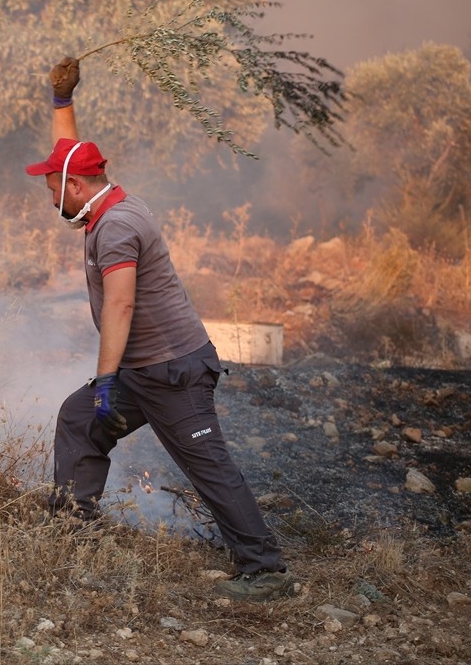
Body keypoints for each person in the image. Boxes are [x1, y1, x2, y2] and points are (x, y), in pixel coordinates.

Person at [26, 56, 296, 603]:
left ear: (75, 188)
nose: (48, 193)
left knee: (209, 466)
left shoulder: (118, 227)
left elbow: (121, 307)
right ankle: (72, 531)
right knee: (79, 420)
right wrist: (62, 101)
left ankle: (265, 569)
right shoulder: (103, 199)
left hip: (172, 372)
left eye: (52, 186)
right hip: (145, 369)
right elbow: (69, 154)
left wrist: (105, 382)